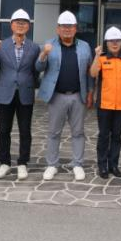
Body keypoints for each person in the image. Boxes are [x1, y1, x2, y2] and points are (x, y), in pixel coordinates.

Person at [37, 11, 94, 181]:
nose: (67, 29)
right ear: (58, 29)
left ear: (76, 29)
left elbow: (89, 72)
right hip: (57, 96)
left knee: (78, 132)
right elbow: (38, 68)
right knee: (54, 132)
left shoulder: (84, 46)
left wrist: (90, 92)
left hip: (78, 95)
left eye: (70, 26)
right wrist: (44, 54)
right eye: (64, 26)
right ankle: (52, 165)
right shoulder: (49, 45)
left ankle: (77, 164)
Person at [0, 9, 40, 180]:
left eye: (24, 23)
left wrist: (31, 85)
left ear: (28, 26)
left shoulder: (34, 47)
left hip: (25, 93)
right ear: (11, 25)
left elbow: (36, 71)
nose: (20, 25)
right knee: (4, 130)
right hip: (5, 93)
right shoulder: (1, 46)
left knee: (25, 130)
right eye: (17, 22)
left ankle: (23, 163)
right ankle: (5, 163)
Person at [90, 27, 121, 179]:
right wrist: (96, 55)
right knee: (103, 136)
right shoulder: (101, 58)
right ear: (106, 43)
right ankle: (102, 166)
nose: (115, 43)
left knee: (117, 136)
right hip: (104, 104)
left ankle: (113, 165)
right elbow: (93, 73)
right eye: (111, 41)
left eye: (118, 41)